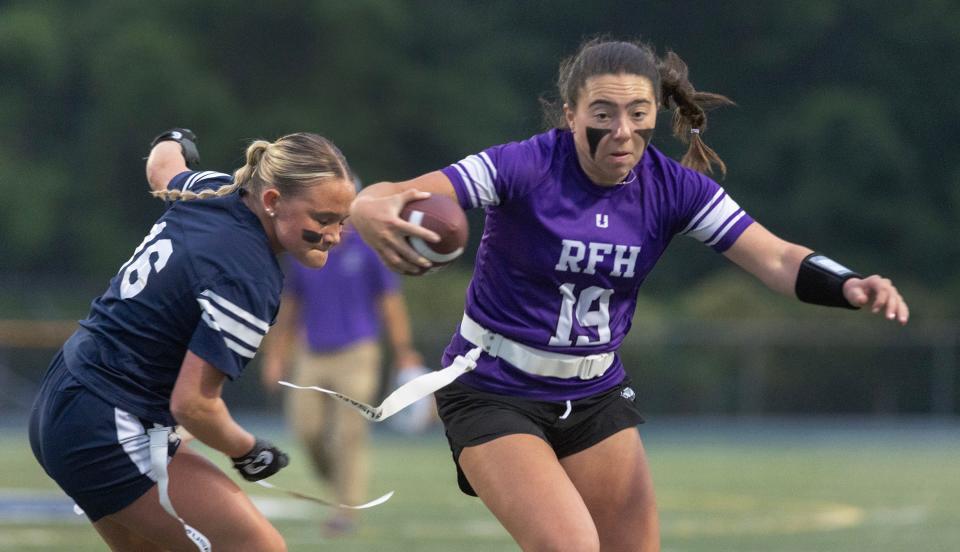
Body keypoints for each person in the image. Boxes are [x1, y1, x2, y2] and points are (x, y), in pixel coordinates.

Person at [348, 38, 910, 552]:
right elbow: (399, 193)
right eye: (602, 113)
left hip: (595, 394)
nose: (622, 130)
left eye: (638, 114)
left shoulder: (674, 188)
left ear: (655, 116)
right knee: (570, 546)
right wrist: (367, 204)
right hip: (493, 389)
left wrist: (848, 284)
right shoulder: (526, 164)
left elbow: (776, 257)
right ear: (570, 116)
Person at [28, 127, 355, 551]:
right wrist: (249, 450)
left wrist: (175, 138)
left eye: (342, 221)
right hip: (105, 421)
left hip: (68, 393)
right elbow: (195, 406)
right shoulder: (247, 274)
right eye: (323, 219)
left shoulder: (215, 189)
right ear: (273, 201)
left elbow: (162, 165)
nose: (333, 236)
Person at [260, 208, 426, 536]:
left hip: (357, 352)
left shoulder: (369, 250)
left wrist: (404, 351)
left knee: (348, 435)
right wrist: (275, 356)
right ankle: (338, 486)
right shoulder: (305, 250)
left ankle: (346, 509)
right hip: (311, 352)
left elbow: (389, 303)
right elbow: (291, 306)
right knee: (307, 431)